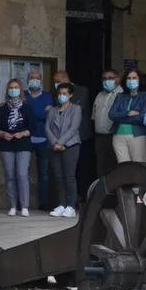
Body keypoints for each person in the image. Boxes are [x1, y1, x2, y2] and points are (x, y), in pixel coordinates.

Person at [52, 70, 92, 201]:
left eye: (58, 81)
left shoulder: (82, 91)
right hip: (60, 140)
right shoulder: (56, 95)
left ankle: (81, 199)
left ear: (65, 79)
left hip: (80, 137)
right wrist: (58, 142)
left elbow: (76, 113)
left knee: (82, 170)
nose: (56, 85)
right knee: (62, 174)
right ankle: (64, 201)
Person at [0, 79, 34, 217]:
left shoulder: (27, 108)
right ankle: (12, 205)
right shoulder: (3, 108)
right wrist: (3, 133)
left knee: (22, 174)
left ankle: (24, 206)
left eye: (16, 87)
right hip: (6, 145)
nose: (13, 90)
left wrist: (22, 133)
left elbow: (33, 128)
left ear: (21, 90)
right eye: (11, 87)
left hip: (23, 145)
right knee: (10, 175)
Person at [46, 82, 82, 218]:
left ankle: (71, 206)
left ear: (70, 95)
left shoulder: (76, 109)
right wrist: (55, 143)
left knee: (69, 176)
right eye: (60, 93)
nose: (61, 96)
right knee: (58, 177)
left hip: (70, 145)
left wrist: (61, 142)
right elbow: (47, 128)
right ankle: (61, 204)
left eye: (64, 94)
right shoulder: (53, 110)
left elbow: (73, 128)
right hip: (54, 147)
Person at [108, 68, 146, 164]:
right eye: (128, 78)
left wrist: (120, 118)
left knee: (139, 166)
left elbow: (142, 118)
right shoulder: (120, 96)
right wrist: (128, 113)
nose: (131, 80)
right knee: (123, 167)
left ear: (140, 79)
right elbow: (111, 115)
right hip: (118, 136)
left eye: (134, 78)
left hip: (138, 136)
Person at [25, 70, 53, 211]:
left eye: (37, 78)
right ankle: (23, 202)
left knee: (44, 174)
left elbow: (51, 115)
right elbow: (26, 116)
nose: (34, 80)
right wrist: (42, 113)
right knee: (23, 172)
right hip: (26, 138)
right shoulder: (23, 96)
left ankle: (43, 203)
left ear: (41, 80)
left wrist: (33, 115)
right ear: (27, 80)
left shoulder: (48, 97)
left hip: (44, 139)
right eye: (31, 78)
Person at [91, 69, 122, 177]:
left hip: (114, 136)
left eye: (110, 78)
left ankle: (114, 193)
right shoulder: (99, 95)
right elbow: (94, 117)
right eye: (104, 78)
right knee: (101, 166)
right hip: (99, 137)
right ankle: (101, 192)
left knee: (114, 166)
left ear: (117, 79)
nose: (106, 81)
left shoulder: (122, 94)